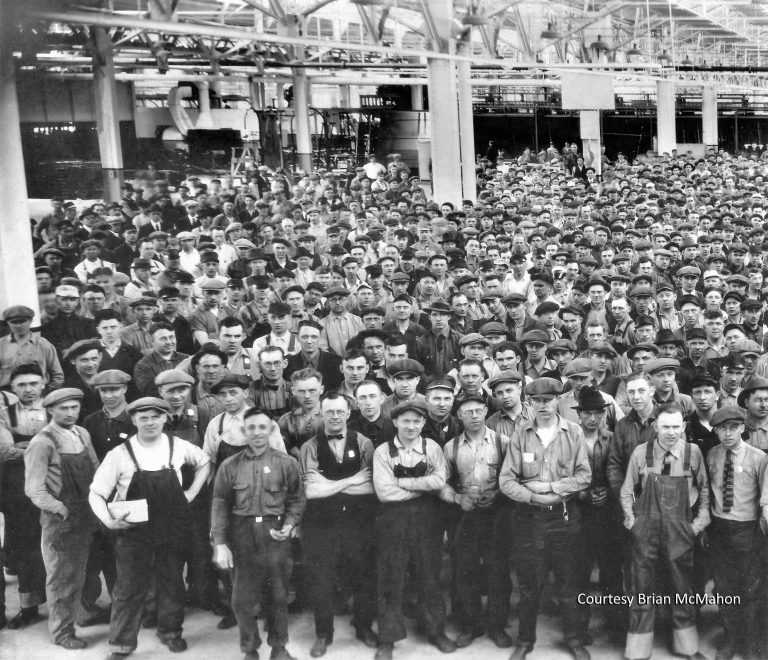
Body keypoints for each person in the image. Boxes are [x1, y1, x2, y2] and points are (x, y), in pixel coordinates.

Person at [88, 397, 211, 659]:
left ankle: (170, 633)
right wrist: (109, 520)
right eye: (143, 417)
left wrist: (191, 491)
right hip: (133, 533)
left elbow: (204, 461)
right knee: (129, 588)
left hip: (170, 529)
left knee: (172, 584)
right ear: (134, 420)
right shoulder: (119, 454)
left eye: (156, 416)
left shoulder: (177, 446)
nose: (151, 422)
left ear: (165, 418)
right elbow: (96, 494)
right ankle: (121, 644)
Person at [499, 377, 591, 660]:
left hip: (564, 519)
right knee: (529, 585)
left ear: (557, 401)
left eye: (548, 400)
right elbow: (506, 480)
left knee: (568, 583)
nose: (543, 406)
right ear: (530, 403)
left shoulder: (573, 432)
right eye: (537, 401)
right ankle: (525, 641)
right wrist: (532, 497)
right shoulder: (521, 434)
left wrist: (551, 488)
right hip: (528, 520)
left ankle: (574, 639)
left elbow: (584, 476)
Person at [211, 407, 306, 660]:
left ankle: (279, 648)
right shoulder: (229, 466)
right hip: (241, 534)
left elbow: (297, 499)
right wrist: (220, 544)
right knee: (242, 599)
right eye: (251, 427)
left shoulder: (287, 463)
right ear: (243, 431)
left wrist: (289, 524)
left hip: (275, 533)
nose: (256, 432)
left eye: (262, 427)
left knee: (278, 595)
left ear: (271, 430)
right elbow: (220, 504)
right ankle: (250, 650)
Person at [620, 403, 710, 660]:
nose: (671, 432)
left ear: (683, 426)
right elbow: (627, 490)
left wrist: (697, 526)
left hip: (680, 528)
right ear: (655, 427)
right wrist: (631, 522)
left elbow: (704, 491)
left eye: (676, 427)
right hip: (645, 530)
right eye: (665, 427)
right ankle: (638, 651)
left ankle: (687, 647)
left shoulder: (693, 453)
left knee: (682, 587)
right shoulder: (641, 452)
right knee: (641, 586)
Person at [372, 398, 454, 659]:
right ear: (395, 421)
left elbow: (440, 480)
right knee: (391, 578)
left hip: (427, 522)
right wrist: (422, 487)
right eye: (405, 420)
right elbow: (385, 493)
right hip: (392, 522)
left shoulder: (432, 448)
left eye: (417, 421)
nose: (411, 426)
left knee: (430, 576)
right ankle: (387, 638)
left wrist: (402, 482)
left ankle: (434, 630)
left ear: (423, 423)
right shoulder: (382, 451)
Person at [299, 392, 379, 657]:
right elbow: (311, 491)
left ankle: (364, 627)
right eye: (329, 412)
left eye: (340, 412)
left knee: (365, 576)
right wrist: (350, 481)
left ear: (348, 413)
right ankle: (323, 633)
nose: (335, 417)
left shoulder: (364, 442)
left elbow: (371, 485)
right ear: (321, 414)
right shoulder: (309, 446)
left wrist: (329, 485)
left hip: (359, 523)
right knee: (321, 580)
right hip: (321, 525)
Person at [24, 387, 99, 650]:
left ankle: (85, 613)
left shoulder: (82, 433)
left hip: (87, 511)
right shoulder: (42, 442)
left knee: (85, 570)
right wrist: (61, 509)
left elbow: (96, 469)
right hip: (61, 518)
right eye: (63, 408)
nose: (70, 413)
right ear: (50, 410)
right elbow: (34, 489)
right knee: (62, 577)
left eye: (74, 407)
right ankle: (62, 632)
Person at [440, 395, 513, 649]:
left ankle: (497, 626)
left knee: (498, 572)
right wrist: (459, 498)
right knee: (465, 571)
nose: (473, 416)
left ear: (485, 412)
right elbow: (442, 484)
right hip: (466, 516)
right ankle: (471, 625)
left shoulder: (503, 443)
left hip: (496, 515)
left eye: (478, 411)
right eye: (467, 412)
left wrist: (498, 493)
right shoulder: (451, 447)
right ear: (458, 415)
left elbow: (514, 478)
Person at [706, 406, 767, 660]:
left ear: (743, 428)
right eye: (722, 429)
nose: (728, 434)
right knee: (725, 588)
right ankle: (732, 639)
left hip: (748, 530)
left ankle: (754, 646)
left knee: (752, 589)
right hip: (720, 529)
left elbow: (766, 496)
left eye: (733, 428)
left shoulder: (758, 458)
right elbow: (709, 491)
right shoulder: (712, 455)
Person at [572, 386, 623, 636]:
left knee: (611, 569)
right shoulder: (570, 439)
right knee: (579, 570)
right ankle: (578, 628)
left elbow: (620, 471)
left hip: (608, 511)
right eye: (588, 413)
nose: (593, 418)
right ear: (579, 415)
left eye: (598, 413)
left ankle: (615, 623)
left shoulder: (612, 438)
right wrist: (582, 494)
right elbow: (562, 476)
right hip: (579, 511)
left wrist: (609, 494)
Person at [0, 365, 48, 629]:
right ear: (13, 388)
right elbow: (4, 451)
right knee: (25, 548)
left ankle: (71, 605)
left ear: (43, 383)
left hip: (53, 485)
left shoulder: (56, 407)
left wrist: (24, 446)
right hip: (18, 489)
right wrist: (42, 446)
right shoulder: (4, 414)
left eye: (33, 383)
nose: (28, 389)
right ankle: (30, 607)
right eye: (21, 385)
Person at [0, 305, 64, 389]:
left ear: (30, 321)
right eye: (14, 322)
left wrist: (46, 393)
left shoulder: (43, 344)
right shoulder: (1, 344)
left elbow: (58, 376)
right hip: (8, 394)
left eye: (23, 321)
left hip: (38, 393)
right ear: (8, 323)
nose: (19, 325)